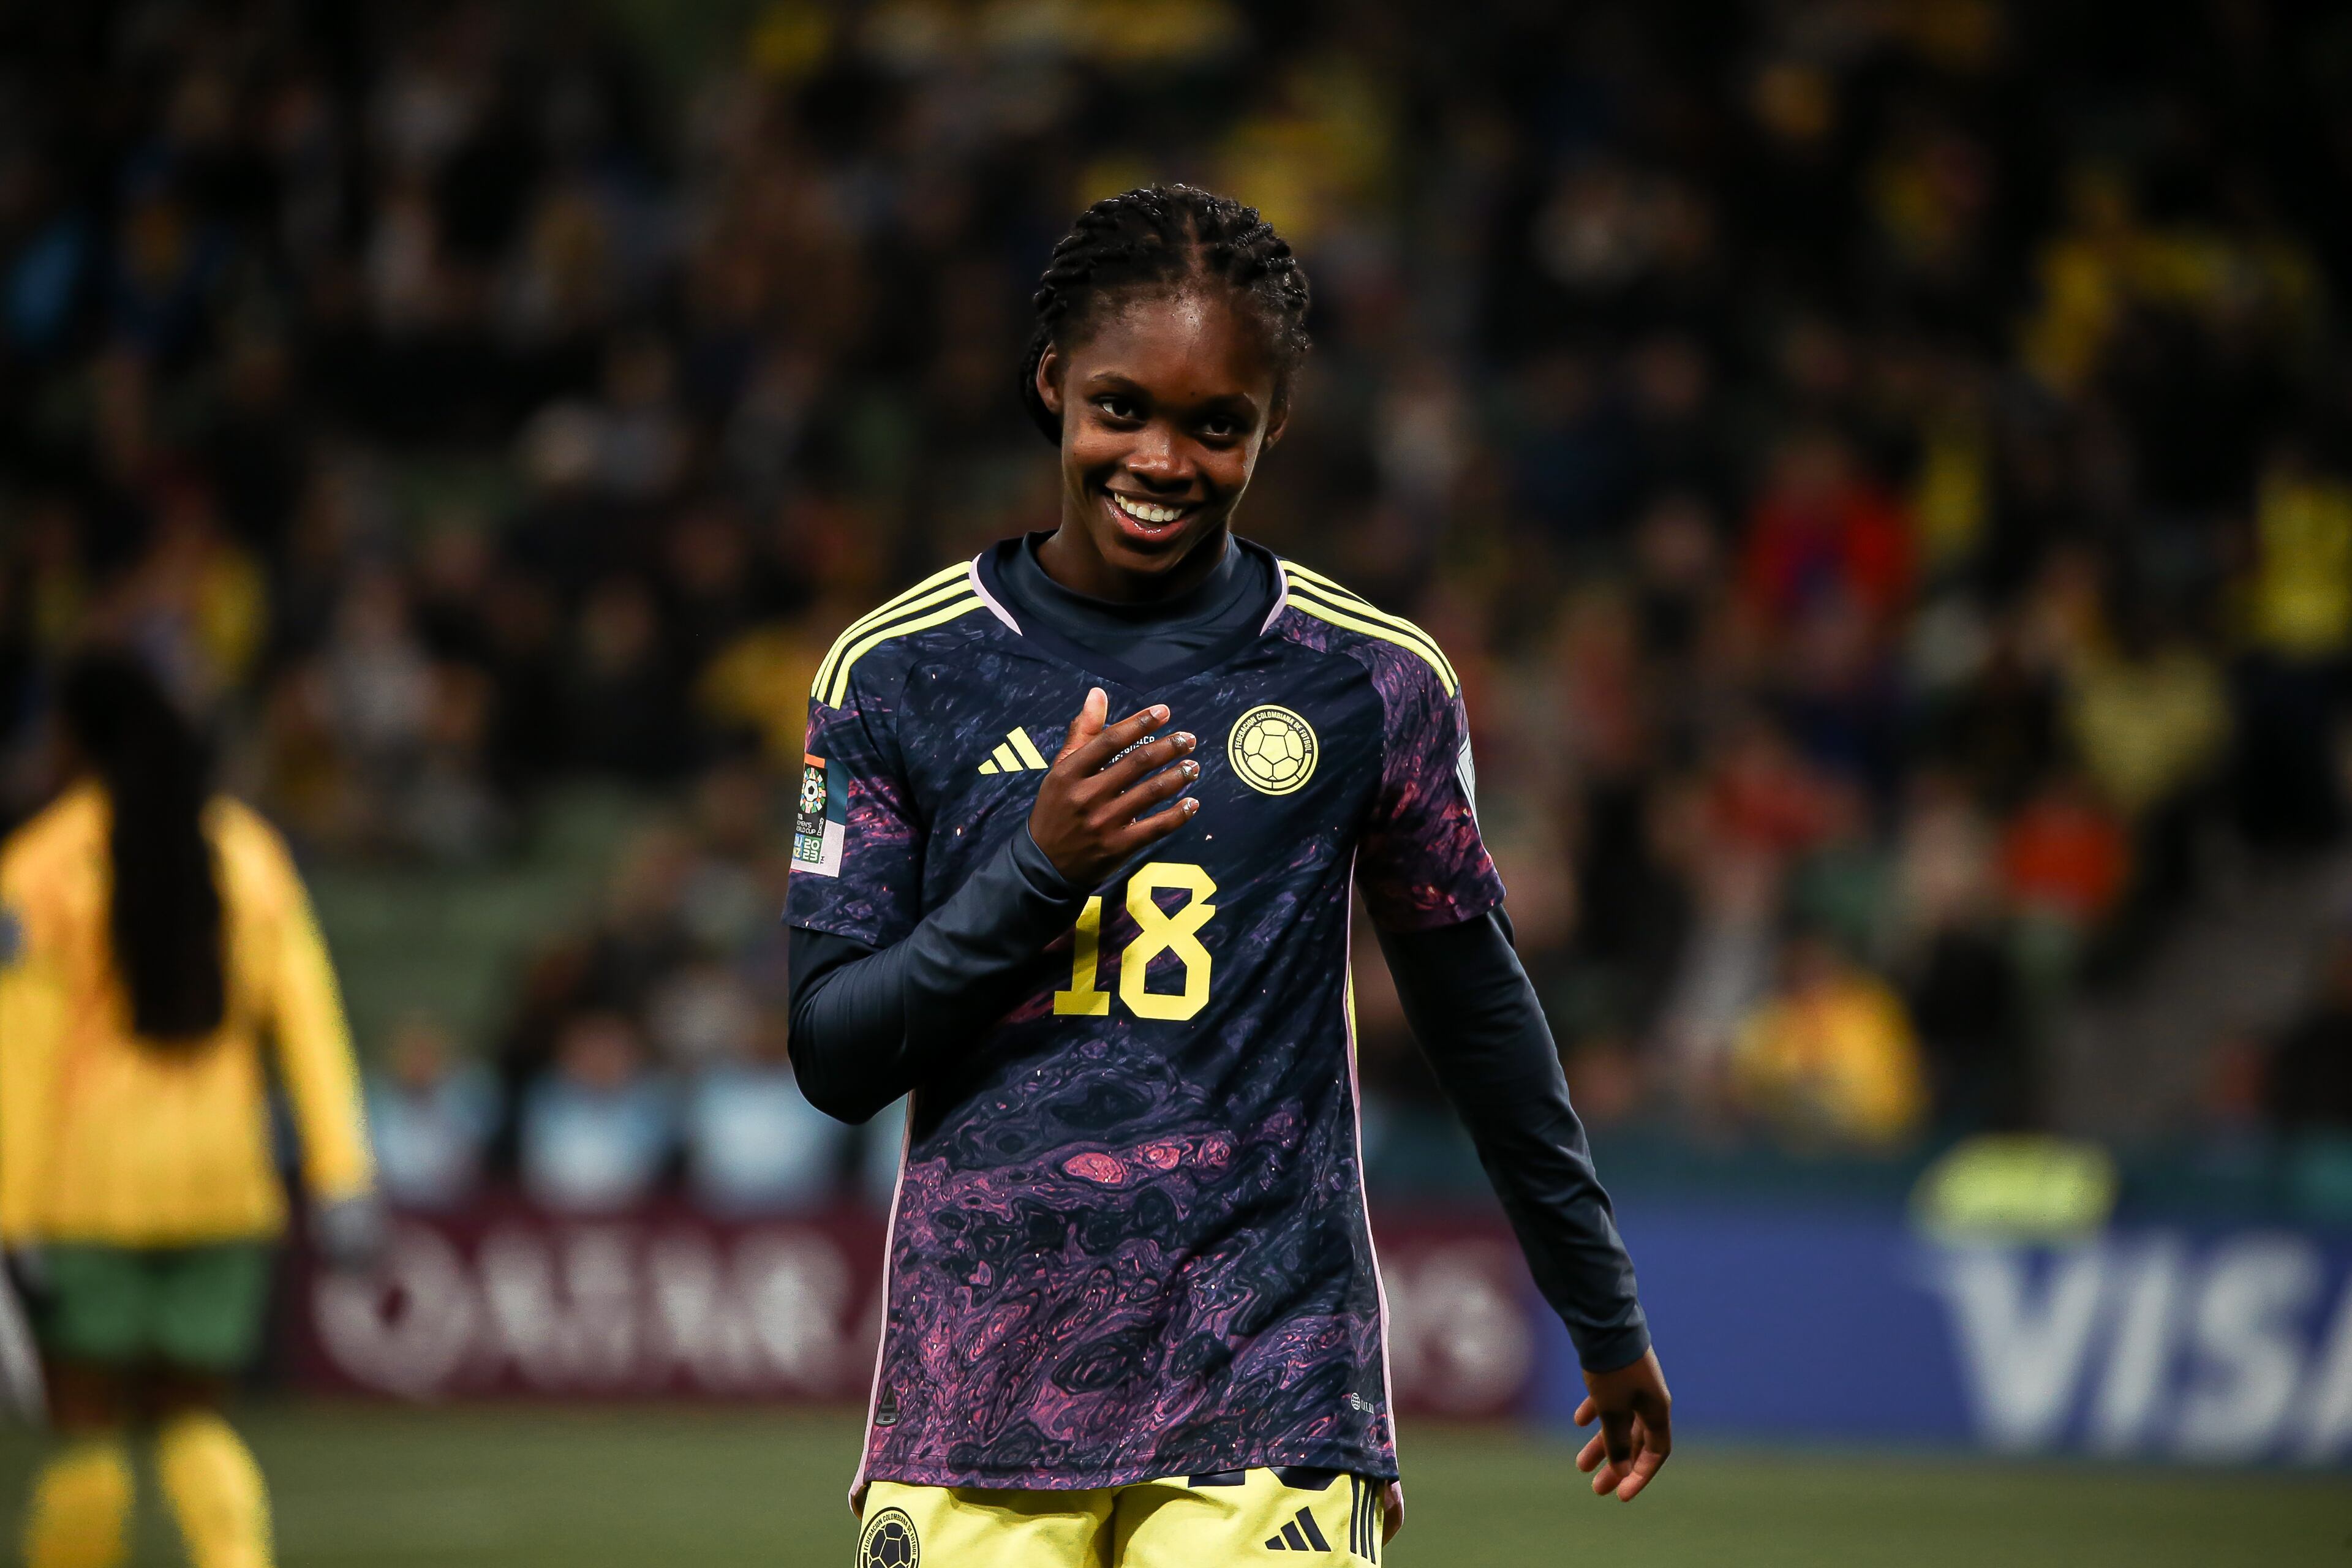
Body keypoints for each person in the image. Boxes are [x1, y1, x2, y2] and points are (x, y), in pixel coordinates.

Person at [786, 186, 1669, 1568]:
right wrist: (1040, 867)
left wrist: (1602, 1314)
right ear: (1052, 386)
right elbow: (836, 1050)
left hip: (1271, 1379)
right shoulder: (897, 673)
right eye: (1122, 407)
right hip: (977, 1392)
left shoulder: (1369, 681)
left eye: (1218, 425)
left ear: (1273, 425)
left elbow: (1481, 1017)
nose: (1164, 458)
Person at [0, 650, 378, 1568]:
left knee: (88, 1437)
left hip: (80, 1195)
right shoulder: (248, 855)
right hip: (222, 1190)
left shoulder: (43, 867)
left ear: (73, 738)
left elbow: (19, 1054)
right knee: (194, 1423)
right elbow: (310, 1024)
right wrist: (342, 1177)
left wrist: (8, 1214)